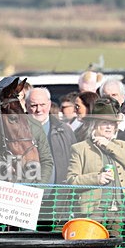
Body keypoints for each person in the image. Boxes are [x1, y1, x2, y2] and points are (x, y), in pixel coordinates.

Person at [67, 98, 125, 248]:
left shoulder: (121, 145)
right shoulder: (80, 149)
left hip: (120, 211)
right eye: (104, 123)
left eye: (112, 123)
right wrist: (96, 178)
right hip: (94, 211)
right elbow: (71, 180)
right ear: (94, 124)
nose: (109, 127)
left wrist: (108, 145)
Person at [27, 87, 75, 228]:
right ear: (26, 106)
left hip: (56, 200)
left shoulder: (64, 130)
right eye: (34, 105)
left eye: (42, 105)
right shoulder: (14, 130)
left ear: (49, 105)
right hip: (25, 200)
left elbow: (73, 162)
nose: (38, 110)